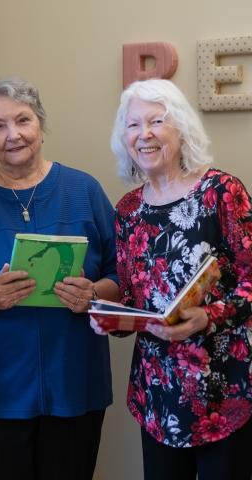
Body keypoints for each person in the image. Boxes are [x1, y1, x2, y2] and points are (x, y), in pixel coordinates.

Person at [0, 77, 120, 480]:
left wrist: (93, 294)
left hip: (74, 385)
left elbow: (122, 277)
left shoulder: (84, 190)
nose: (12, 135)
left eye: (23, 120)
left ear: (40, 125)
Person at [91, 78, 252, 480]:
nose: (143, 134)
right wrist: (109, 315)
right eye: (132, 125)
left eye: (157, 121)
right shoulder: (127, 210)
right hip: (158, 396)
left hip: (223, 391)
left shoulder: (221, 191)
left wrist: (210, 315)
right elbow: (131, 298)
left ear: (180, 127)